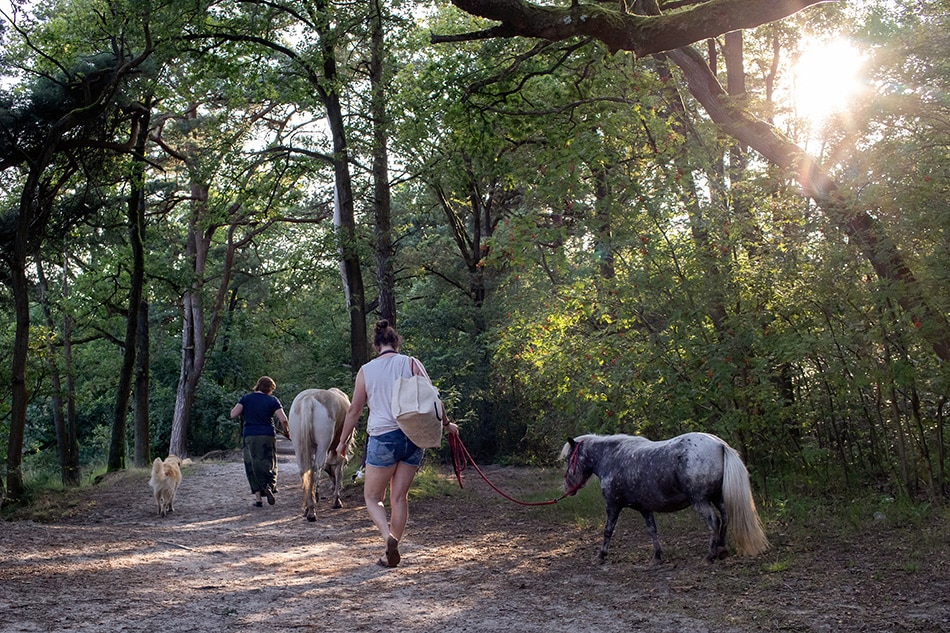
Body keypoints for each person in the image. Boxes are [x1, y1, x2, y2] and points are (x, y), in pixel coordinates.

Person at [337, 319, 459, 568]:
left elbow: (354, 411)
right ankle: (389, 551)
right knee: (399, 498)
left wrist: (342, 442)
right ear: (396, 343)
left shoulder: (366, 370)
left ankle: (387, 538)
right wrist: (447, 425)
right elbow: (433, 398)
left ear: (376, 346)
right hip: (413, 436)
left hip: (383, 437)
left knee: (372, 497)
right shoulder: (411, 363)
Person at [230, 376, 290, 507]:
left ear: (257, 386)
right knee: (269, 463)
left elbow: (233, 414)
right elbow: (283, 419)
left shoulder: (246, 398)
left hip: (250, 435)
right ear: (270, 389)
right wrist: (286, 431)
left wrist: (246, 412)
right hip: (267, 435)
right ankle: (268, 486)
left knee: (252, 465)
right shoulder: (272, 400)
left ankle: (258, 500)